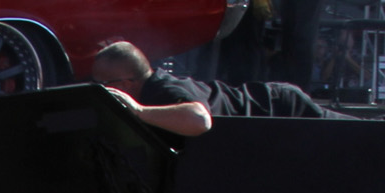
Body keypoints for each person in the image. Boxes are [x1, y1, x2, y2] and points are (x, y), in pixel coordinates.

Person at [91, 40, 348, 133]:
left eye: (103, 85)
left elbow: (199, 119)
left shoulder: (160, 91)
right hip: (274, 118)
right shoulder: (154, 89)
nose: (100, 90)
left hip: (281, 109)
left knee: (363, 132)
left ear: (125, 84)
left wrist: (137, 111)